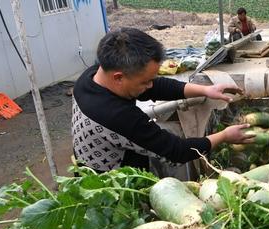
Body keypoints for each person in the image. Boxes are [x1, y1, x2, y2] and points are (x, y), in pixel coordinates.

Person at [72, 27, 253, 173]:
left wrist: (206, 90)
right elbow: (176, 153)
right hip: (112, 191)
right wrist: (224, 136)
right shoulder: (117, 116)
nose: (151, 85)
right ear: (119, 78)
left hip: (101, 158)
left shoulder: (92, 76)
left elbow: (156, 87)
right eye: (146, 81)